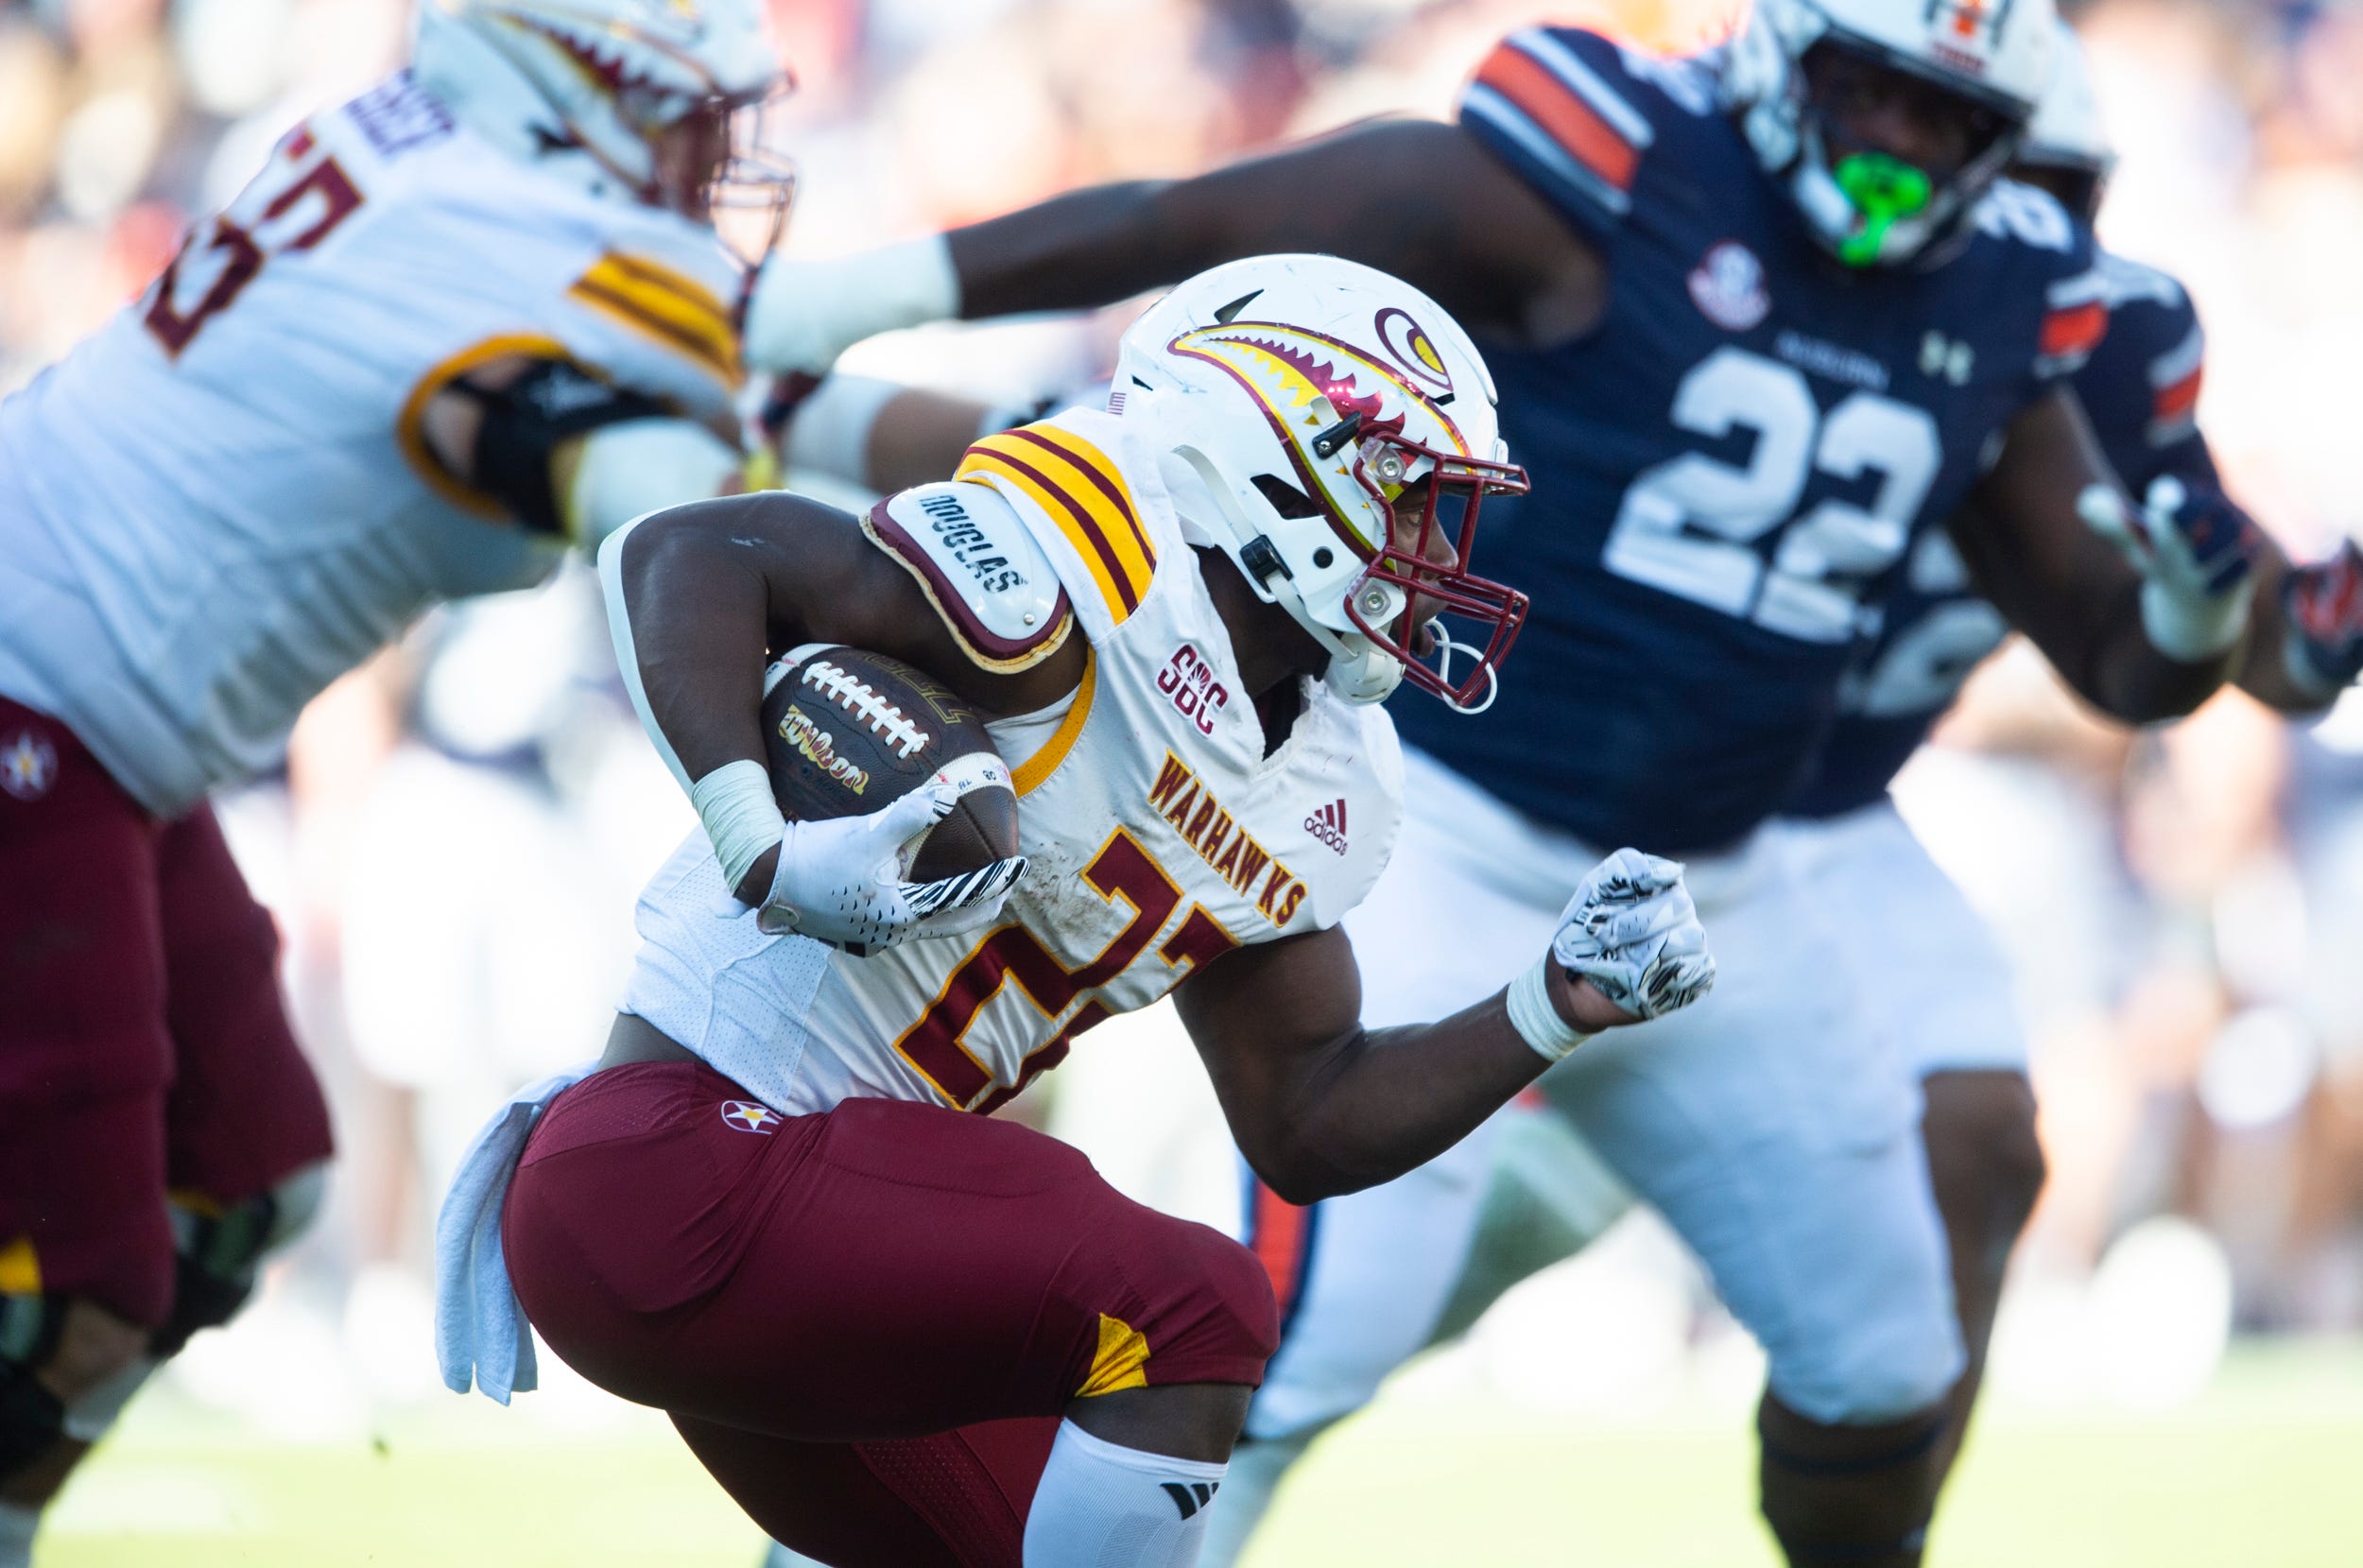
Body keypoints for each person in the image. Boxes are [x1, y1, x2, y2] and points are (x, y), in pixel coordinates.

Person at [722, 0, 2363, 1561]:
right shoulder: (1617, 165)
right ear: (1785, 56)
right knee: (1279, 1346)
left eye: (1949, 120)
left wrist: (2186, 614)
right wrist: (855, 292)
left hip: (1730, 875)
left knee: (1887, 1368)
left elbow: (2120, 669)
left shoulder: (2009, 302)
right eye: (1873, 91)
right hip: (1440, 823)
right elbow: (1199, 219)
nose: (1902, 148)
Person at [432, 253, 1716, 1568]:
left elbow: (1309, 1116)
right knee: (1190, 1306)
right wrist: (761, 846)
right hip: (681, 1159)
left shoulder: (1330, 784)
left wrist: (1545, 1009)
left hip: (810, 1224)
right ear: (1262, 455)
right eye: (1410, 496)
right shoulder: (1082, 562)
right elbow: (686, 550)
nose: (1439, 553)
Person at [0, 1, 829, 1557]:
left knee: (234, 1186)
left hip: (107, 737)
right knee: (76, 1282)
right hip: (38, 703)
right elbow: (663, 495)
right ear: (570, 90)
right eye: (685, 118)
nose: (715, 161)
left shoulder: (421, 170)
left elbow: (736, 399)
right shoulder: (495, 244)